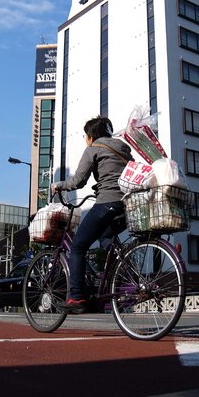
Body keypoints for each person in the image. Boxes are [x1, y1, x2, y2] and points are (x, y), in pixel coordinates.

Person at [51, 115, 133, 313]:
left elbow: (78, 181)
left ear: (90, 136)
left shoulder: (94, 148)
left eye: (85, 136)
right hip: (128, 206)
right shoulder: (123, 148)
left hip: (107, 202)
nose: (85, 140)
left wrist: (59, 185)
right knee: (106, 237)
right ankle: (124, 278)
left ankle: (77, 298)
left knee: (78, 247)